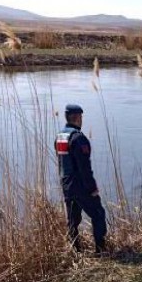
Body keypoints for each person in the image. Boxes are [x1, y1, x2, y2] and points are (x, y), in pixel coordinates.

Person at [55, 104, 107, 254]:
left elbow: (62, 163)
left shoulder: (60, 137)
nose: (82, 120)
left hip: (66, 185)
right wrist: (92, 189)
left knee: (73, 219)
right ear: (77, 117)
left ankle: (76, 250)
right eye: (81, 117)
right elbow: (84, 168)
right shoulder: (78, 138)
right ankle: (100, 249)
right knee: (98, 213)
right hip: (80, 185)